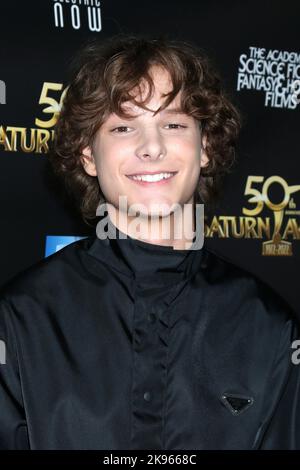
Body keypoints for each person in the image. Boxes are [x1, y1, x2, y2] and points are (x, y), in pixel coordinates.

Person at [0, 33, 299, 450]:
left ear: (205, 146)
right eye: (123, 127)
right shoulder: (21, 319)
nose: (151, 148)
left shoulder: (268, 326)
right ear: (88, 154)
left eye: (173, 123)